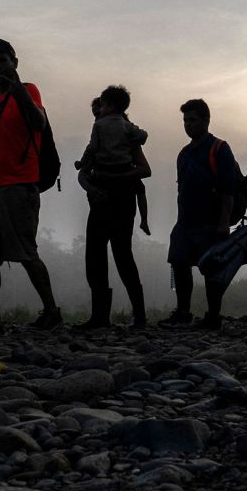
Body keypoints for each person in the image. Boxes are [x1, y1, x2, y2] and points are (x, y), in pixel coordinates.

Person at [0, 39, 60, 334]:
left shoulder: (29, 90)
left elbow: (38, 123)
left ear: (14, 62)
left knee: (27, 253)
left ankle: (51, 312)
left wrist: (17, 89)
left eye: (1, 61)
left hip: (21, 184)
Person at [164, 99, 242, 330]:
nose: (188, 125)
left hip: (211, 220)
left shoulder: (219, 148)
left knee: (211, 269)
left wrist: (224, 223)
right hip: (186, 221)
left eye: (193, 120)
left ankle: (213, 315)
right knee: (179, 262)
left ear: (206, 121)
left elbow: (229, 190)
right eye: (185, 121)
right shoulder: (184, 153)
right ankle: (183, 311)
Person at [77, 85, 150, 329]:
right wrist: (92, 188)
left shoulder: (122, 138)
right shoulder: (122, 133)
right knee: (96, 256)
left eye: (101, 109)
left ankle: (138, 316)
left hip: (118, 198)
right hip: (104, 200)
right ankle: (101, 317)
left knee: (121, 255)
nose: (98, 116)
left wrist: (112, 179)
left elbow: (144, 170)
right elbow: (84, 172)